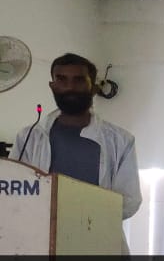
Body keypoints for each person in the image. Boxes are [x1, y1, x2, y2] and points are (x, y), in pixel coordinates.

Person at [13, 53, 141, 251]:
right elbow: (14, 190)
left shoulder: (120, 140)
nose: (70, 87)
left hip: (98, 248)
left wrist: (79, 218)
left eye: (79, 80)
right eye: (61, 79)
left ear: (93, 87)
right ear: (52, 86)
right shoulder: (30, 137)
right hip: (40, 246)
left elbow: (129, 201)